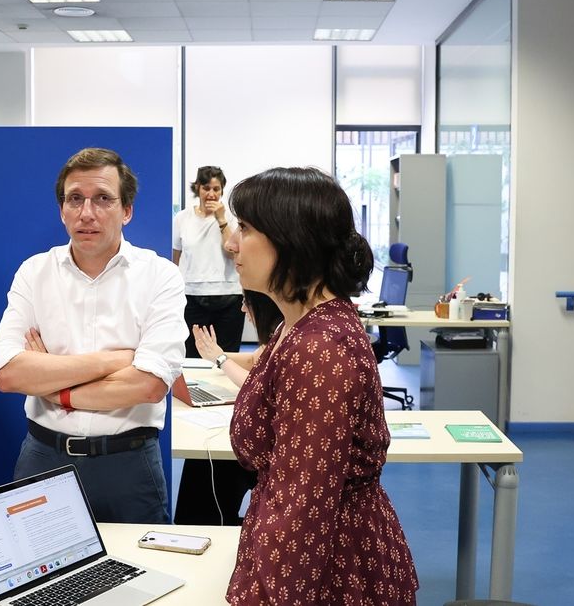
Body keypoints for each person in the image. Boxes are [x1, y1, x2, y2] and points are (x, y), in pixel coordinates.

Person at [223, 167, 419, 605]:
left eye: (246, 228)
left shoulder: (320, 349)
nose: (231, 243)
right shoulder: (293, 327)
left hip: (328, 575)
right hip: (315, 561)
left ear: (292, 240)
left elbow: (303, 512)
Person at [0, 147, 186, 524]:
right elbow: (7, 373)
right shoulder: (35, 272)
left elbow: (150, 386)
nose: (87, 213)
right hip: (44, 457)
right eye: (75, 199)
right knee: (41, 580)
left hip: (128, 465)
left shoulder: (160, 276)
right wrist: (117, 360)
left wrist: (51, 382)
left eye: (103, 199)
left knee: (141, 576)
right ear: (62, 210)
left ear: (127, 210)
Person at [173, 291, 282, 525]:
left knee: (207, 466)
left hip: (271, 446)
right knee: (202, 461)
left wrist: (221, 360)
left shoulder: (289, 333)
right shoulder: (279, 329)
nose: (242, 309)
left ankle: (202, 525)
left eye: (246, 302)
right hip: (262, 437)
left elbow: (258, 387)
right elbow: (255, 360)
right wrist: (212, 355)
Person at [172, 165, 244, 359]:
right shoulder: (182, 218)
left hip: (229, 294)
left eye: (216, 189)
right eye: (206, 188)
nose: (211, 194)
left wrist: (221, 220)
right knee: (192, 356)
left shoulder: (231, 216)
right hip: (193, 295)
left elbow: (233, 252)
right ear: (197, 189)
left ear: (221, 190)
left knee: (226, 356)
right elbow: (177, 256)